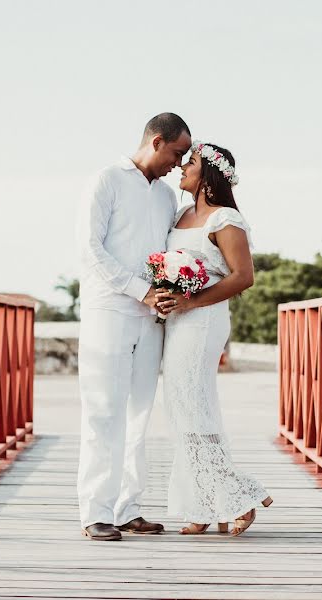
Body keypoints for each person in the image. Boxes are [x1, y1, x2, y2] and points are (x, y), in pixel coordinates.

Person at [75, 113, 191, 541]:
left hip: (150, 318)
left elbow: (165, 255)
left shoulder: (165, 198)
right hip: (109, 311)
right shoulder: (105, 180)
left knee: (139, 414)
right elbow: (90, 251)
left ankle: (128, 507)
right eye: (177, 154)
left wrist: (163, 293)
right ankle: (95, 511)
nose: (179, 165)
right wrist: (139, 290)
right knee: (103, 411)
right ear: (157, 142)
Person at [157, 140, 273, 536]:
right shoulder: (181, 214)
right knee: (180, 408)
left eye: (188, 163)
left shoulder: (225, 220)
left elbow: (243, 277)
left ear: (207, 174)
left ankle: (237, 496)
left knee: (192, 407)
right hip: (178, 322)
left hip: (203, 322)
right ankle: (205, 505)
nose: (181, 169)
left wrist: (192, 303)